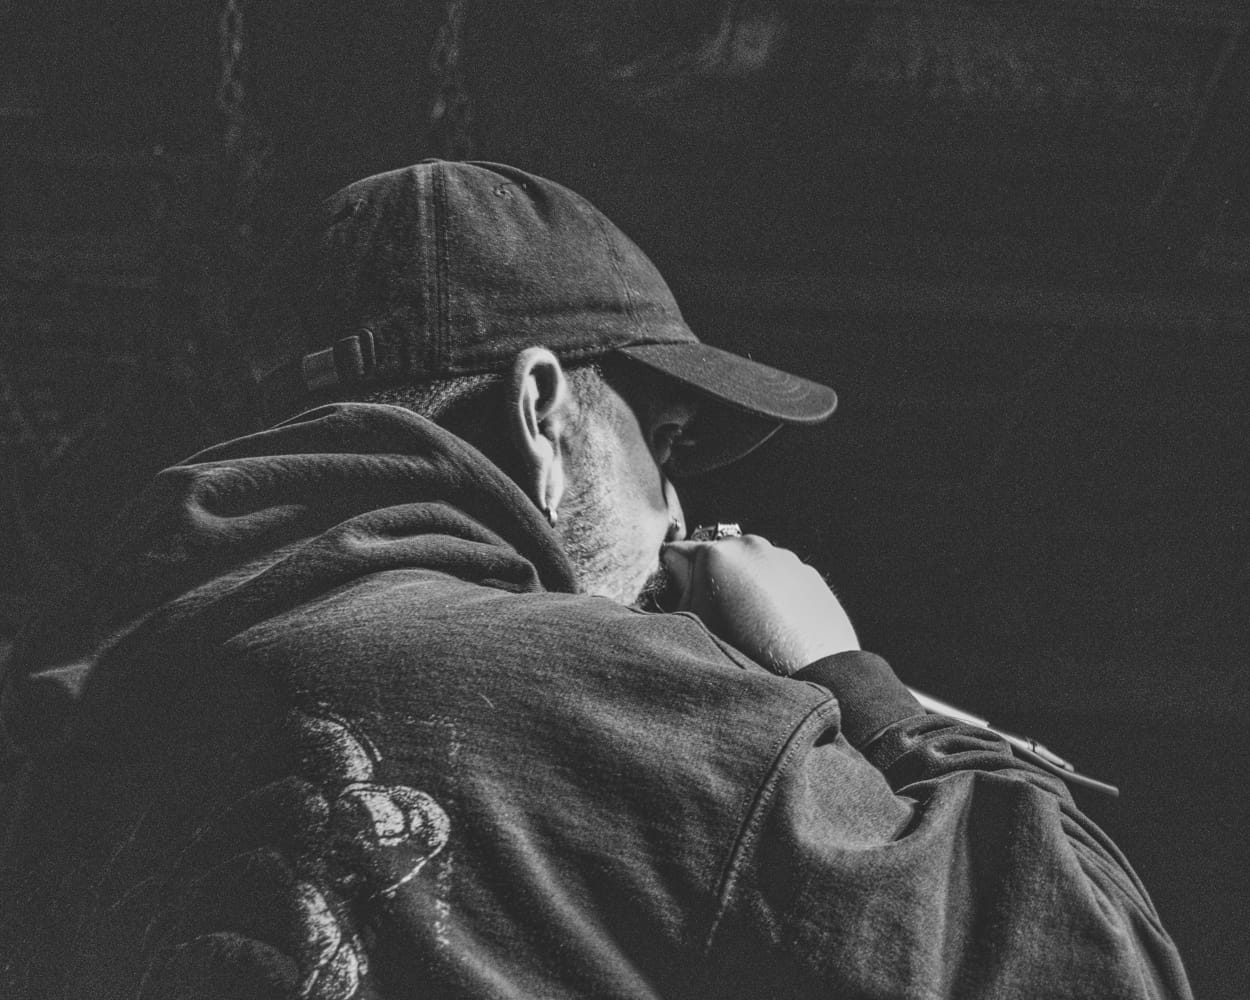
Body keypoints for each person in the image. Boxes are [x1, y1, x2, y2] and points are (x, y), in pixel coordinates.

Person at [0, 160, 1190, 999]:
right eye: (658, 442)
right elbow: (1100, 966)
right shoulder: (615, 692)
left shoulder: (79, 722)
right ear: (539, 408)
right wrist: (843, 676)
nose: (674, 510)